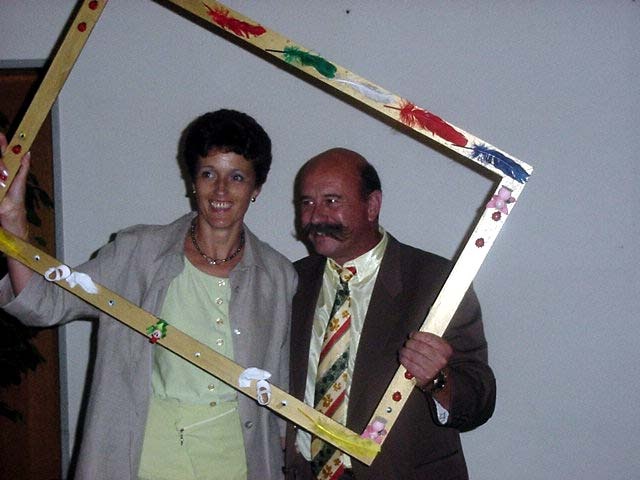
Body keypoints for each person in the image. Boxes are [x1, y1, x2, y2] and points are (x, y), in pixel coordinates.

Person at [0, 109, 297, 480]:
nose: (221, 190)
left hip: (237, 460)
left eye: (236, 177)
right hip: (147, 457)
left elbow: (280, 385)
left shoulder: (278, 275)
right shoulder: (137, 253)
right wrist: (14, 224)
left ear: (256, 189)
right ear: (193, 181)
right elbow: (44, 303)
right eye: (208, 174)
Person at [284, 148, 496, 479]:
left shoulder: (438, 283)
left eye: (331, 201)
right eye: (307, 202)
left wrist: (437, 380)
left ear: (372, 205)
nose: (315, 217)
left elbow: (479, 401)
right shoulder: (288, 281)